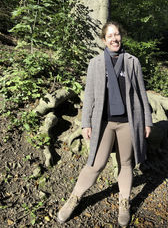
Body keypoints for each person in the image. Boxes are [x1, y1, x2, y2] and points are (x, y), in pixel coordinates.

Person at [57, 21, 153, 227]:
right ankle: (74, 199)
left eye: (117, 34)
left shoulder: (132, 62)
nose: (114, 38)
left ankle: (124, 202)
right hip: (104, 123)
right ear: (104, 40)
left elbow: (141, 93)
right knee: (96, 164)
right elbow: (89, 95)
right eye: (110, 36)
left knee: (126, 163)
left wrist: (147, 120)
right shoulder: (95, 64)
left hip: (128, 122)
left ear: (121, 37)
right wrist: (85, 123)